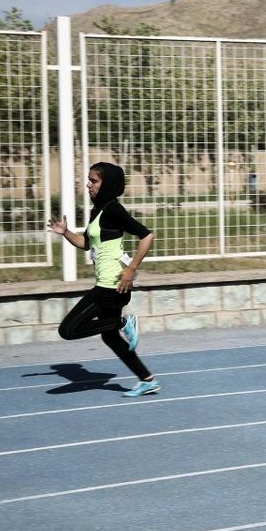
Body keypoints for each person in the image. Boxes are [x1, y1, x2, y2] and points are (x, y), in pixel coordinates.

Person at [47, 162, 160, 397]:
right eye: (88, 180)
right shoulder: (98, 211)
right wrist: (65, 232)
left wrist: (131, 269)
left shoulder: (113, 210)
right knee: (109, 337)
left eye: (94, 181)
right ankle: (147, 379)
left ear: (106, 184)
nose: (88, 185)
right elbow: (86, 244)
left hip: (111, 285)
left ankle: (124, 323)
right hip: (112, 285)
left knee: (68, 330)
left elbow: (147, 235)